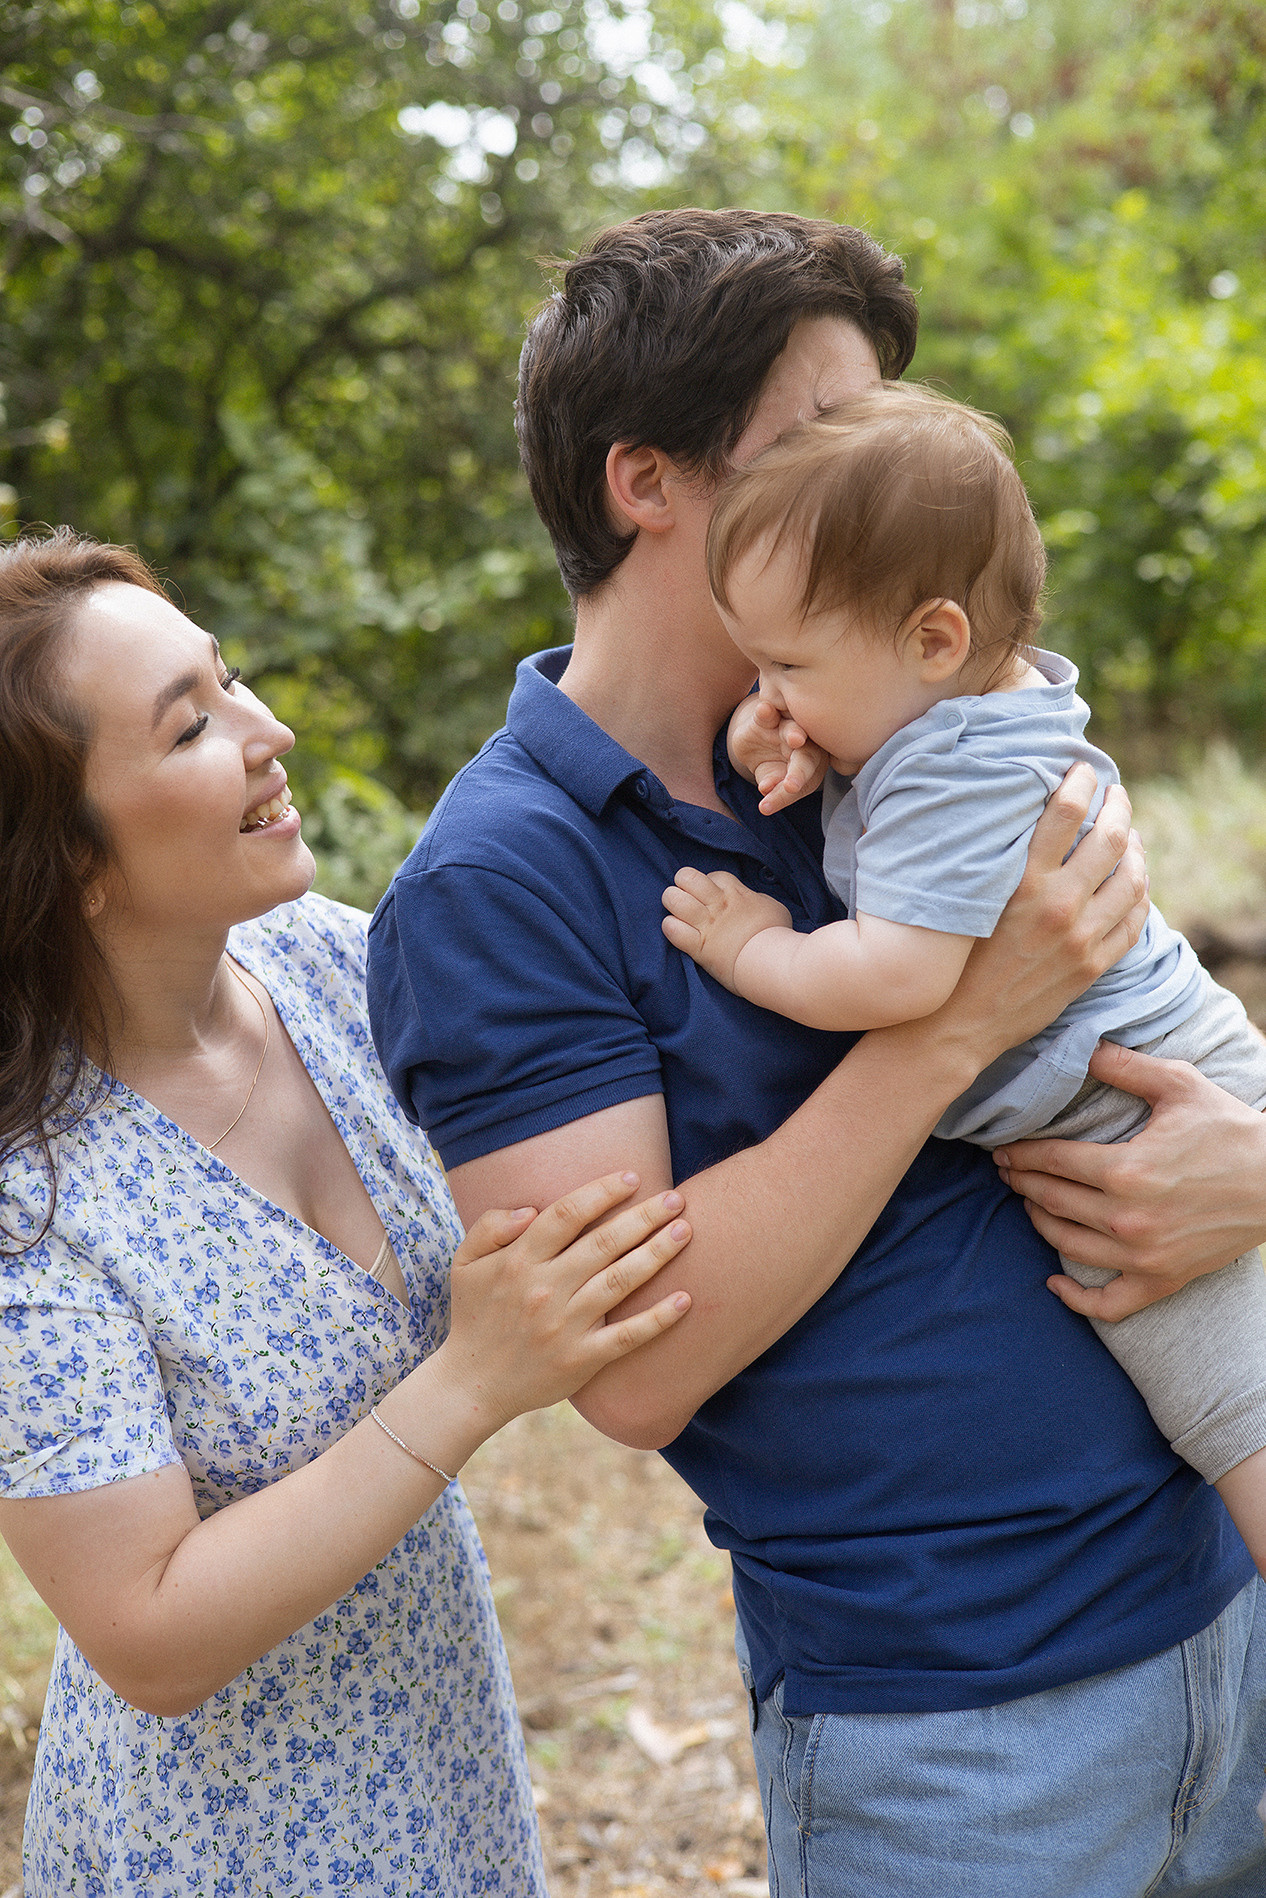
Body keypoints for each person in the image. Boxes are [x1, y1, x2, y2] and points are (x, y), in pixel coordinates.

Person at [367, 208, 1266, 1895]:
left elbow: (1135, 1009)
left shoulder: (894, 734)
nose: (867, 484)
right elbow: (628, 1368)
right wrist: (947, 1037)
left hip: (1225, 1590)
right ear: (650, 482)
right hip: (967, 1727)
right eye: (817, 436)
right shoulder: (501, 881)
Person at [0, 529, 693, 1897]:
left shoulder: (324, 964)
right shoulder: (31, 1198)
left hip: (439, 1753)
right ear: (67, 859)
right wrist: (472, 1380)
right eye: (192, 724)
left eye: (232, 677)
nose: (272, 731)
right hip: (222, 1845)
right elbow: (147, 1634)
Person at [661, 379, 1266, 1569]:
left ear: (933, 639)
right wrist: (779, 721)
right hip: (1149, 1083)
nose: (767, 697)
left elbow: (897, 975)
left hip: (1134, 1108)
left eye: (785, 666)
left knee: (1240, 1416)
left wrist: (753, 946)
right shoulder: (960, 710)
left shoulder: (952, 769)